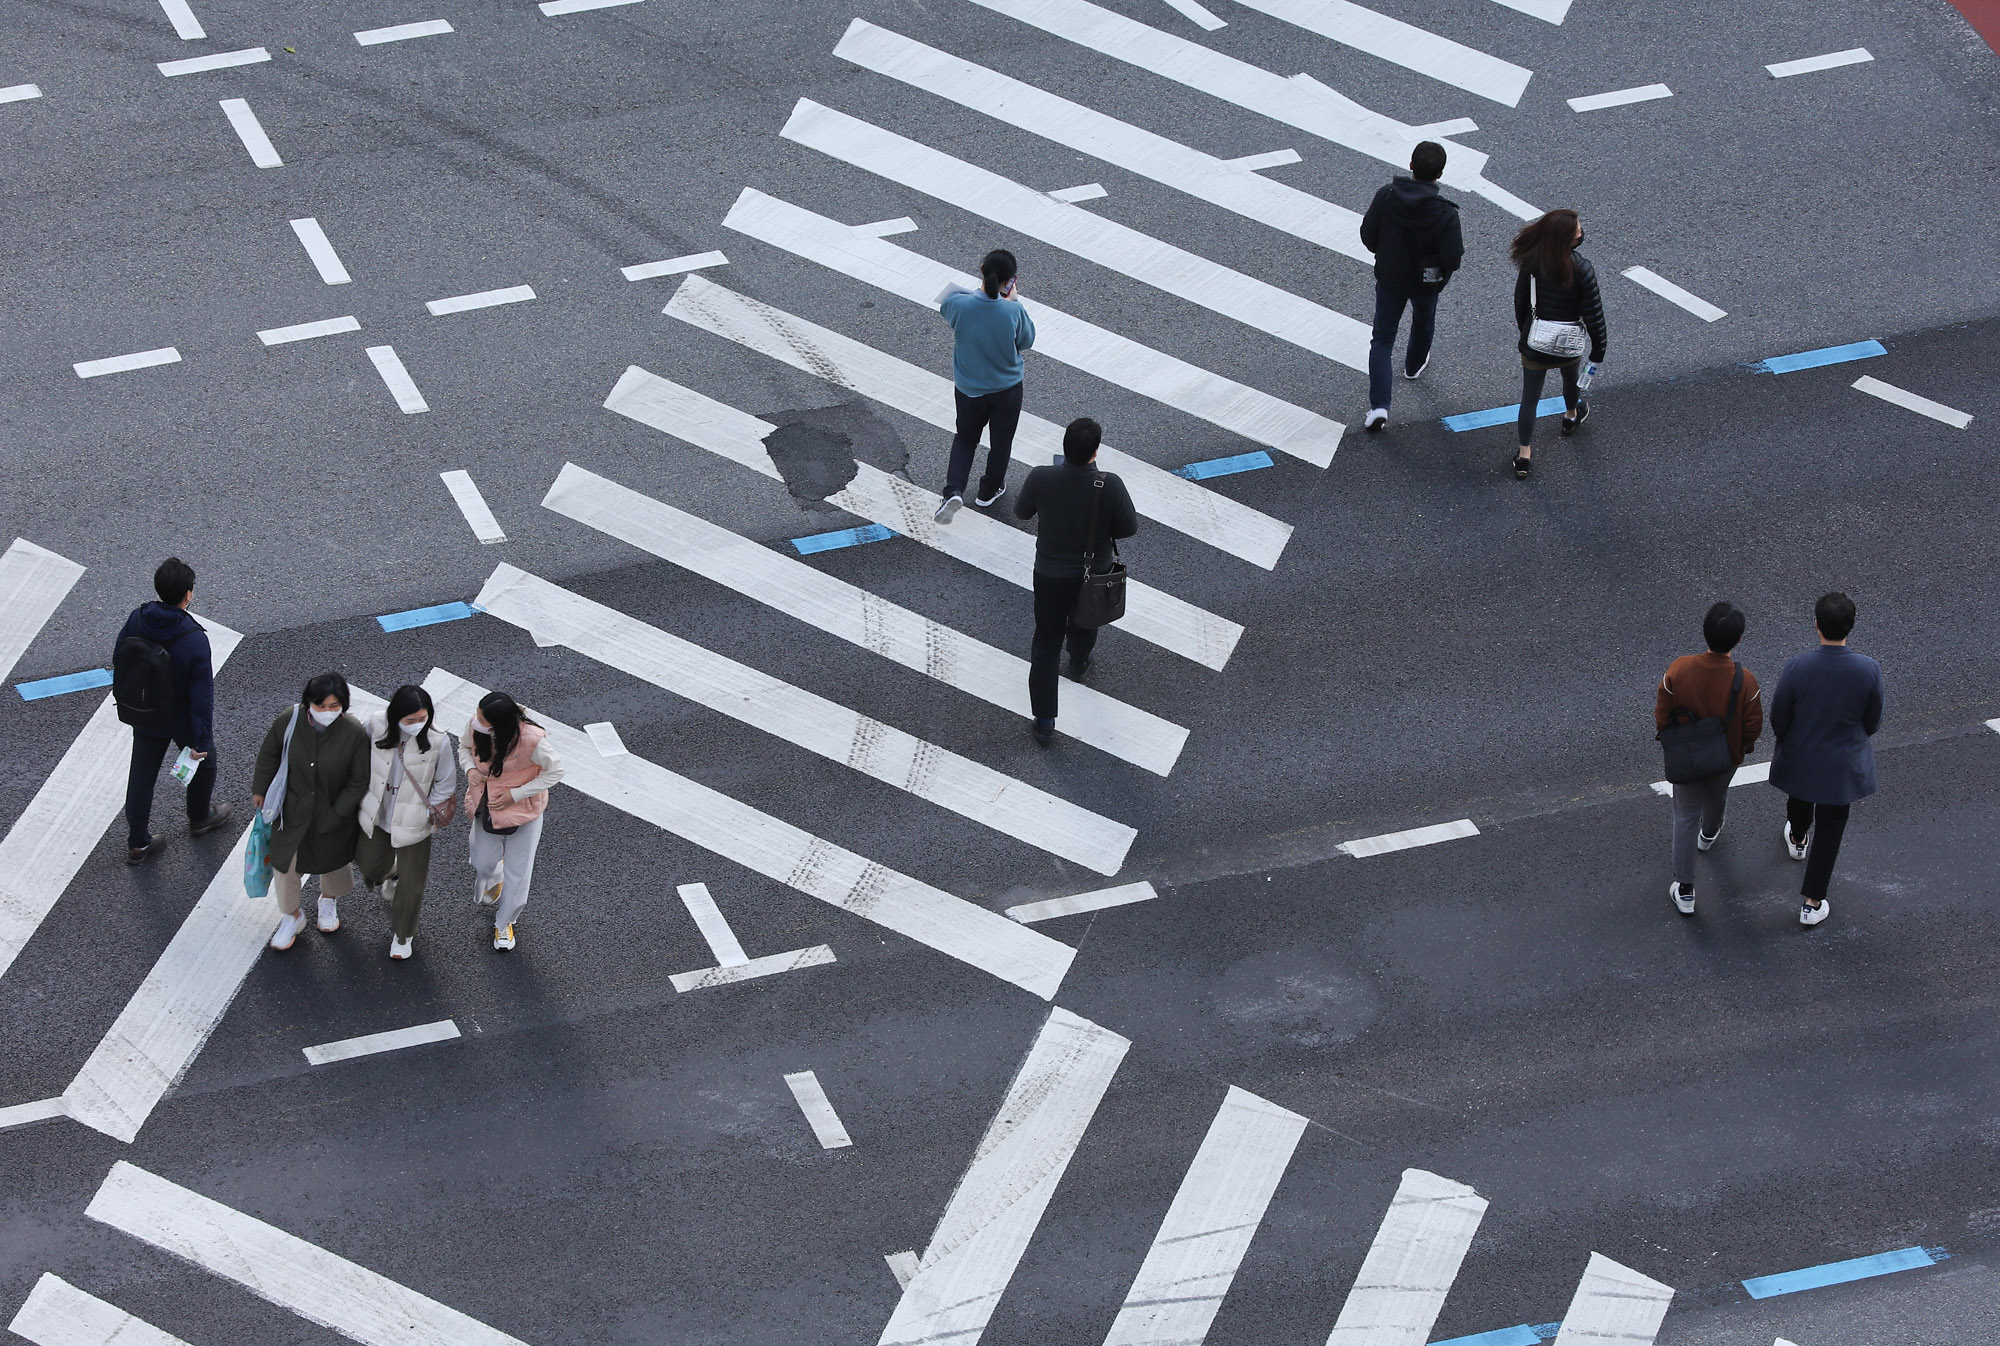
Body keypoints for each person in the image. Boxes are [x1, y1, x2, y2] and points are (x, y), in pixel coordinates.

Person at [1013, 417, 1137, 746]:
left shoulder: (1041, 477)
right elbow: (1129, 528)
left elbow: (1021, 511)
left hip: (1050, 574)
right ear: (1095, 452)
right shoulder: (1109, 485)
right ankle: (1080, 661)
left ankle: (1045, 720)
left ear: (1064, 448)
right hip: (1092, 572)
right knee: (1085, 619)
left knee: (1045, 642)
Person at [1768, 593, 1884, 927]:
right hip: (1842, 765)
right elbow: (1873, 721)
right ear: (1851, 626)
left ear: (1816, 624)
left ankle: (1798, 837)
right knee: (1832, 827)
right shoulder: (1868, 669)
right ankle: (1812, 902)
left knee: (1800, 796)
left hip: (1803, 755)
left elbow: (1779, 716)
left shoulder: (1798, 666)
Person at [114, 557, 233, 864]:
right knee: (205, 764)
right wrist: (201, 741)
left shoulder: (137, 617)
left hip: (144, 710)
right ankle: (199, 818)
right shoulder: (193, 639)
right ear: (188, 594)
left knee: (141, 778)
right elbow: (201, 697)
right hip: (178, 717)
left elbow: (120, 656)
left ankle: (138, 843)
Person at [1654, 602, 1764, 916]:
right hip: (1725, 756)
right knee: (1717, 795)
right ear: (1738, 640)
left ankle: (1685, 890)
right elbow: (1752, 725)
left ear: (1704, 632)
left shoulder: (1679, 669)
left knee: (1684, 816)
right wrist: (1742, 749)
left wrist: (1667, 735)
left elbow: (1663, 710)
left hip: (1686, 757)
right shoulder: (1746, 681)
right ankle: (1710, 832)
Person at [252, 673, 370, 951]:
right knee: (285, 864)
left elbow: (358, 779)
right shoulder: (288, 720)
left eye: (334, 706)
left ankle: (328, 901)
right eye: (321, 706)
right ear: (308, 704)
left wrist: (338, 812)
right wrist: (260, 789)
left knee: (334, 859)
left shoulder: (353, 732)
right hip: (292, 810)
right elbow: (269, 754)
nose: (327, 712)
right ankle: (292, 915)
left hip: (333, 811)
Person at [1358, 140, 1463, 433]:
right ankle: (1414, 365)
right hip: (1425, 281)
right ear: (1440, 174)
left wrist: (1385, 252)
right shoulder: (1446, 213)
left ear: (1411, 165)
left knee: (1382, 339)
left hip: (1390, 276)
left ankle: (1379, 406)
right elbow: (1453, 257)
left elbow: (1368, 235)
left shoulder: (1386, 196)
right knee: (1423, 319)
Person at [355, 686, 458, 961]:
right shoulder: (375, 726)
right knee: (370, 865)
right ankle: (392, 873)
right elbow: (360, 759)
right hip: (378, 812)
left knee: (412, 887)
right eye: (410, 720)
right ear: (395, 717)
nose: (417, 725)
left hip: (414, 823)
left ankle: (403, 935)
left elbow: (445, 783)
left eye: (422, 719)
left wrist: (425, 814)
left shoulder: (438, 740)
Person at [934, 248, 1035, 524]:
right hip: (1007, 389)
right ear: (1010, 280)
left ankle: (953, 490)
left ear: (981, 268)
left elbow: (948, 311)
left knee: (965, 439)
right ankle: (988, 491)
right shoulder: (1013, 311)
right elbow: (1026, 341)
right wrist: (1014, 302)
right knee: (1001, 442)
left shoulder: (958, 303)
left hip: (968, 389)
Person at [461, 691, 564, 952]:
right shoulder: (477, 727)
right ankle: (496, 876)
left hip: (525, 813)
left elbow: (556, 772)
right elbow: (464, 747)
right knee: (481, 862)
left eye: (483, 719)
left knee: (519, 874)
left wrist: (515, 795)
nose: (477, 721)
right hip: (487, 805)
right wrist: (470, 770)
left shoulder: (533, 741)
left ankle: (505, 922)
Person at [1508, 209, 1607, 479]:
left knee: (1530, 399)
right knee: (1570, 380)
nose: (1581, 232)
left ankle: (1524, 455)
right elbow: (1593, 315)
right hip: (1568, 344)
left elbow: (1520, 304)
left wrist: (1526, 333)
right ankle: (1571, 415)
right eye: (1578, 230)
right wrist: (1598, 350)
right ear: (1569, 240)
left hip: (1535, 343)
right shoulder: (1582, 268)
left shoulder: (1531, 264)